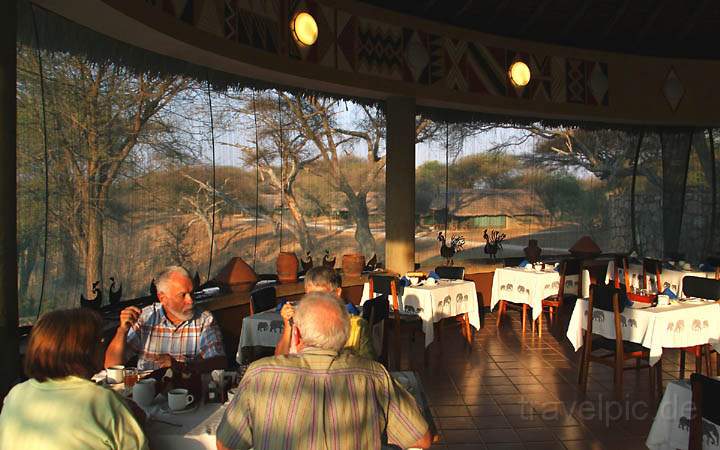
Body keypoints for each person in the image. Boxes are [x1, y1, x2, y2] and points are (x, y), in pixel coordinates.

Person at [217, 293, 431, 450]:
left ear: (297, 334)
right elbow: (421, 439)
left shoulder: (259, 374)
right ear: (345, 335)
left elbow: (225, 444)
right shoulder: (375, 376)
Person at [0, 308, 148, 450]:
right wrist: (132, 421)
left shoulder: (15, 394)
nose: (102, 344)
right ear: (83, 350)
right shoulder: (102, 401)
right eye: (99, 339)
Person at [105, 265, 226, 371]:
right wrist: (122, 331)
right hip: (148, 391)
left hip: (187, 391)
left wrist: (181, 366)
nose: (190, 300)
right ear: (162, 298)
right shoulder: (145, 318)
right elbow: (111, 366)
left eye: (192, 293)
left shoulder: (204, 319)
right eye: (182, 295)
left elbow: (219, 362)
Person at [274, 266, 374, 359]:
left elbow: (369, 366)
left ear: (337, 293)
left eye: (320, 295)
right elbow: (279, 360)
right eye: (310, 296)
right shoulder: (301, 323)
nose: (315, 301)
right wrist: (288, 326)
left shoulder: (355, 326)